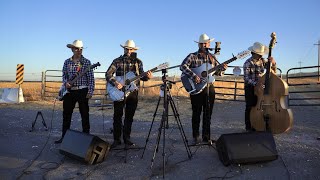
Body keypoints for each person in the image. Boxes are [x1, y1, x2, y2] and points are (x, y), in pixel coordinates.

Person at [180, 34, 227, 144]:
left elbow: (217, 73)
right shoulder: (192, 56)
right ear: (199, 44)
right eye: (202, 43)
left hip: (209, 87)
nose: (204, 45)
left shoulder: (212, 57)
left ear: (209, 44)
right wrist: (194, 76)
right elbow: (183, 66)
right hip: (196, 88)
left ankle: (206, 137)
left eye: (206, 43)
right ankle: (196, 136)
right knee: (196, 112)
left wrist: (222, 69)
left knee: (208, 113)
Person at [105, 40, 152, 148]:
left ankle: (127, 138)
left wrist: (147, 77)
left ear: (134, 50)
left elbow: (141, 76)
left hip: (133, 92)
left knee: (129, 116)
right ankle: (117, 139)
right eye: (127, 49)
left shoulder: (138, 62)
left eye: (131, 49)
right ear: (124, 49)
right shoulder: (117, 61)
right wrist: (115, 82)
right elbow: (108, 74)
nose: (129, 51)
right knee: (117, 116)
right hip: (119, 92)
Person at [55, 40, 95, 144]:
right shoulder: (67, 62)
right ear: (72, 49)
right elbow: (64, 75)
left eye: (81, 49)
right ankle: (64, 137)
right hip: (69, 92)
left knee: (85, 114)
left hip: (82, 90)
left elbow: (91, 78)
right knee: (66, 115)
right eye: (77, 49)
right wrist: (66, 83)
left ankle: (86, 138)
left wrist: (90, 91)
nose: (79, 51)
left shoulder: (86, 62)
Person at [243, 42, 277, 131]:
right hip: (250, 87)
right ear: (253, 53)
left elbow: (273, 71)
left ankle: (258, 125)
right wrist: (256, 84)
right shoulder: (247, 62)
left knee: (260, 107)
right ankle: (249, 127)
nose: (261, 56)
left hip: (260, 87)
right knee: (250, 107)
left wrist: (273, 63)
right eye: (259, 54)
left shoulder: (263, 61)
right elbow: (246, 78)